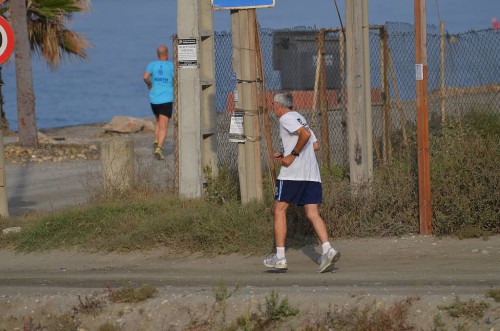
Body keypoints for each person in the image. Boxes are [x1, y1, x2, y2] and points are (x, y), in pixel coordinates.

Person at [263, 91, 341, 273]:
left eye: (274, 105)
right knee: (312, 213)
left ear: (278, 106)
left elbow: (304, 135)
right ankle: (327, 249)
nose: (273, 108)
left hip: (293, 174)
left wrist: (292, 156)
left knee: (279, 210)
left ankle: (280, 257)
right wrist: (287, 153)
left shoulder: (286, 118)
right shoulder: (300, 117)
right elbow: (315, 145)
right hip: (311, 174)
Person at [143, 45, 174, 160]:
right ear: (167, 54)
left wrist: (149, 84)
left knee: (157, 120)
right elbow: (177, 80)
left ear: (157, 55)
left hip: (154, 99)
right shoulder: (171, 66)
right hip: (166, 99)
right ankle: (159, 148)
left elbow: (145, 77)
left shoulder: (152, 65)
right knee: (164, 125)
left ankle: (156, 140)